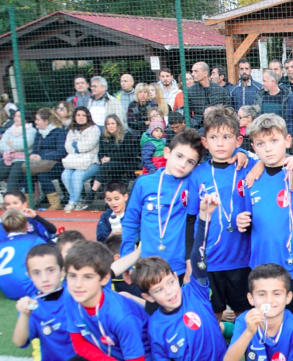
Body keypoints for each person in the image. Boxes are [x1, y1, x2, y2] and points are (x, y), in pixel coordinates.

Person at [134, 196, 237, 361]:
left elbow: (198, 253)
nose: (169, 292)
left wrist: (204, 216)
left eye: (170, 282)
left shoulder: (196, 291)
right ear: (148, 297)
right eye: (159, 290)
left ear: (175, 277)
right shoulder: (156, 324)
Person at [237, 114, 293, 325]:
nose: (268, 148)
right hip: (262, 269)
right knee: (266, 325)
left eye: (274, 141)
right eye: (260, 144)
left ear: (288, 141)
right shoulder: (250, 179)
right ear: (253, 147)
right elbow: (253, 224)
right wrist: (242, 223)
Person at [185, 107, 259, 319]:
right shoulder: (197, 174)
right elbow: (191, 219)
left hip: (243, 261)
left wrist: (246, 155)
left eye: (226, 137)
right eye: (214, 137)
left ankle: (246, 352)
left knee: (245, 316)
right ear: (205, 142)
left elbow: (271, 162)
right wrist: (190, 259)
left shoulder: (249, 166)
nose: (219, 143)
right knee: (211, 316)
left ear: (238, 141)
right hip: (209, 261)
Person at [122, 127, 203, 288]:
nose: (182, 164)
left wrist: (240, 152)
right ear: (167, 152)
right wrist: (126, 259)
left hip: (180, 268)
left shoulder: (193, 183)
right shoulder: (144, 183)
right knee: (152, 310)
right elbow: (130, 223)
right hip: (148, 266)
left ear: (196, 166)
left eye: (190, 162)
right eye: (179, 156)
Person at [9, 243, 76, 361]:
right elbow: (19, 341)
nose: (44, 278)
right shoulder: (32, 307)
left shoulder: (76, 294)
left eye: (50, 270)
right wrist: (24, 314)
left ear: (62, 271)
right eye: (36, 273)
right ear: (29, 276)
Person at [0, 209, 44, 299]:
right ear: (27, 225)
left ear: (4, 228)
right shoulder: (35, 240)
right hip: (31, 288)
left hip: (7, 291)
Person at [0, 110, 37, 193]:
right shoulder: (10, 129)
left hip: (23, 160)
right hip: (9, 158)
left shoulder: (31, 130)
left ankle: (13, 201)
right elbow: (1, 145)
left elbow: (24, 145)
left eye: (19, 116)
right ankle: (0, 198)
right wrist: (12, 148)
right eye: (15, 116)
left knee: (12, 182)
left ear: (26, 119)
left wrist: (10, 143)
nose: (15, 118)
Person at [26, 108, 68, 210]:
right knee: (28, 174)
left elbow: (61, 152)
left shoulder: (60, 132)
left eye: (37, 119)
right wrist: (33, 155)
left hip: (57, 164)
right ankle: (28, 204)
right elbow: (35, 149)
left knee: (43, 176)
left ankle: (55, 204)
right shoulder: (39, 133)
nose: (35, 122)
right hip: (41, 164)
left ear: (46, 121)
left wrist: (42, 157)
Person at [61, 107, 100, 212]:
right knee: (65, 175)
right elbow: (67, 147)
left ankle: (72, 202)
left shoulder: (94, 129)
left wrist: (75, 145)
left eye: (83, 115)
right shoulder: (72, 130)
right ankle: (79, 201)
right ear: (74, 117)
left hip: (91, 162)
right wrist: (78, 147)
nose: (81, 117)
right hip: (74, 162)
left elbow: (88, 146)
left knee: (77, 176)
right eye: (78, 115)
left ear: (88, 116)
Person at [94, 114, 138, 189]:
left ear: (118, 124)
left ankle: (93, 191)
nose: (110, 126)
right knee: (107, 168)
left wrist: (110, 158)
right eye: (108, 124)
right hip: (108, 165)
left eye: (113, 123)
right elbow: (100, 152)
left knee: (106, 167)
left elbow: (128, 154)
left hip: (125, 163)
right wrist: (102, 158)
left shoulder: (126, 135)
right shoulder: (103, 136)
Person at [189, 62, 232, 128]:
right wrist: (195, 125)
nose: (192, 74)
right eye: (192, 71)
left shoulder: (219, 90)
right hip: (198, 127)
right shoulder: (190, 91)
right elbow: (186, 114)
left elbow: (228, 109)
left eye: (196, 71)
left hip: (218, 125)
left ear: (205, 73)